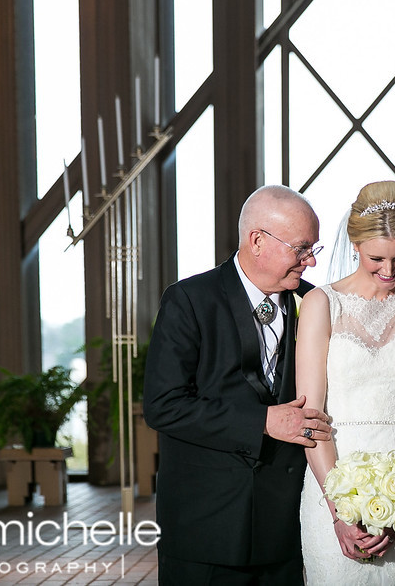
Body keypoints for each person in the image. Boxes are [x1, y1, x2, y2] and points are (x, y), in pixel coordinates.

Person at [143, 184, 333, 585]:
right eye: (301, 248)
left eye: (313, 248)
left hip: (283, 529)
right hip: (204, 527)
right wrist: (262, 421)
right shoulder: (189, 300)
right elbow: (163, 405)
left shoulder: (316, 303)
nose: (311, 261)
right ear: (258, 240)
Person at [295, 180, 395, 585]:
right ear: (355, 245)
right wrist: (339, 511)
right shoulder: (321, 303)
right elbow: (310, 414)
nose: (389, 270)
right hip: (332, 472)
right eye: (376, 258)